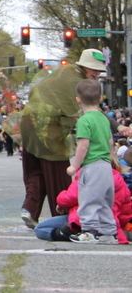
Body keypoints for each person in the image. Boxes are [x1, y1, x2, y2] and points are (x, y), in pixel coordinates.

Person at [19, 48, 107, 229]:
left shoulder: (64, 71)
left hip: (28, 123)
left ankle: (29, 209)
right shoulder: (79, 83)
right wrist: (116, 126)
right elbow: (92, 112)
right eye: (94, 70)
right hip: (48, 130)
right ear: (84, 66)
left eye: (98, 71)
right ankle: (64, 218)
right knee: (57, 173)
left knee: (35, 171)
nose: (96, 74)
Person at [65, 79, 117, 243]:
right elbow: (110, 142)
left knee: (88, 198)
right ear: (100, 97)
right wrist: (111, 158)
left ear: (78, 99)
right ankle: (109, 232)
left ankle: (89, 231)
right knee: (104, 200)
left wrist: (75, 165)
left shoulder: (84, 121)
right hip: (105, 165)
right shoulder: (103, 119)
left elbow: (83, 145)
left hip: (92, 166)